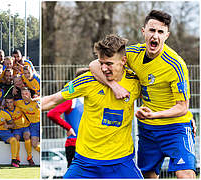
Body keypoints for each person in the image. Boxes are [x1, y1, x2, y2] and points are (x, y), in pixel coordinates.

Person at [89, 10, 196, 179]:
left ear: (166, 35)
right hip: (148, 129)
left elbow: (182, 107)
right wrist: (114, 86)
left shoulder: (176, 65)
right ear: (143, 31)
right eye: (152, 30)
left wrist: (156, 115)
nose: (156, 36)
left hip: (176, 128)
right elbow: (95, 64)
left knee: (185, 174)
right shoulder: (132, 54)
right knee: (147, 175)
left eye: (160, 32)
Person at [42, 34, 142, 178]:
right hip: (85, 163)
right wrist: (33, 104)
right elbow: (53, 100)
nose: (104, 68)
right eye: (101, 63)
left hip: (121, 162)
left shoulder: (135, 82)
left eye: (109, 64)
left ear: (123, 61)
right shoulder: (87, 80)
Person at [46, 68, 88, 168]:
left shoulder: (92, 100)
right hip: (75, 145)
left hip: (91, 145)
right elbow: (52, 114)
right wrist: (68, 128)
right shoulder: (72, 100)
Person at [4, 95, 35, 166]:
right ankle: (17, 158)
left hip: (25, 126)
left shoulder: (19, 108)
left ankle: (29, 157)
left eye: (11, 102)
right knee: (16, 138)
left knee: (26, 136)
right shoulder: (6, 111)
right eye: (7, 102)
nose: (9, 104)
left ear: (13, 102)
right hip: (16, 128)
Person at [16, 87, 40, 153]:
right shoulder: (19, 103)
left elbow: (43, 99)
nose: (24, 95)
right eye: (22, 94)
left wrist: (33, 99)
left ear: (30, 94)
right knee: (34, 144)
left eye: (26, 93)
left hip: (41, 123)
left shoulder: (35, 101)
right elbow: (9, 102)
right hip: (33, 125)